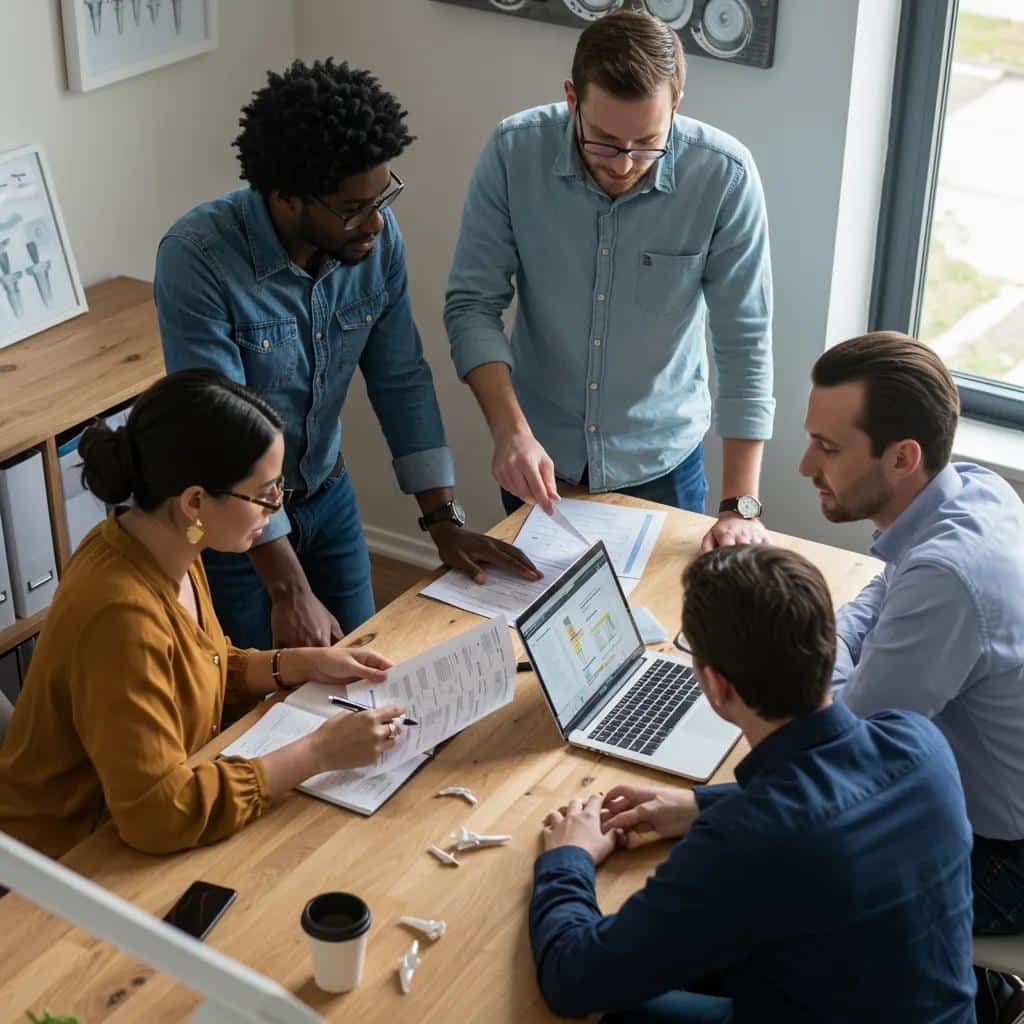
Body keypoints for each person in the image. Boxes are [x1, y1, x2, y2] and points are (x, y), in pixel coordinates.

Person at [155, 58, 538, 651]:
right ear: (285, 198)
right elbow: (218, 433)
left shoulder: (374, 245)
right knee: (255, 701)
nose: (376, 222)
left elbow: (401, 378)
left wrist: (444, 521)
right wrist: (288, 590)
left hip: (328, 499)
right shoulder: (198, 257)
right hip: (229, 524)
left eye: (383, 195)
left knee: (362, 667)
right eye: (352, 207)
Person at [531, 545, 975, 1023]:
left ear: (717, 686)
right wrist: (700, 803)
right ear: (828, 644)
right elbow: (832, 797)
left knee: (615, 1010)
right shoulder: (920, 744)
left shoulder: (744, 842)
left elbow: (573, 979)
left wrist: (567, 858)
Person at [0, 370, 408, 859]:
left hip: (128, 825)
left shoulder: (167, 546)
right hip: (71, 861)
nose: (276, 506)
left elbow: (194, 670)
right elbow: (159, 814)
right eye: (265, 492)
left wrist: (294, 664)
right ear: (194, 501)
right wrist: (318, 752)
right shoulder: (120, 613)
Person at [445, 10, 774, 552]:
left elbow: (745, 340)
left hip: (663, 463)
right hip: (539, 456)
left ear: (676, 108)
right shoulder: (512, 152)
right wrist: (510, 433)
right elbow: (472, 304)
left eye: (647, 143)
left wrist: (740, 504)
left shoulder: (725, 176)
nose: (624, 163)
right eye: (602, 141)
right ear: (572, 100)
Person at [800, 331, 1024, 1021]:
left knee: (785, 864)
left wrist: (817, 655)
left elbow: (846, 750)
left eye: (829, 448)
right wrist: (838, 643)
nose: (807, 464)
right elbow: (879, 590)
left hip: (1004, 863)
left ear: (904, 457)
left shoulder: (948, 577)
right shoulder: (974, 491)